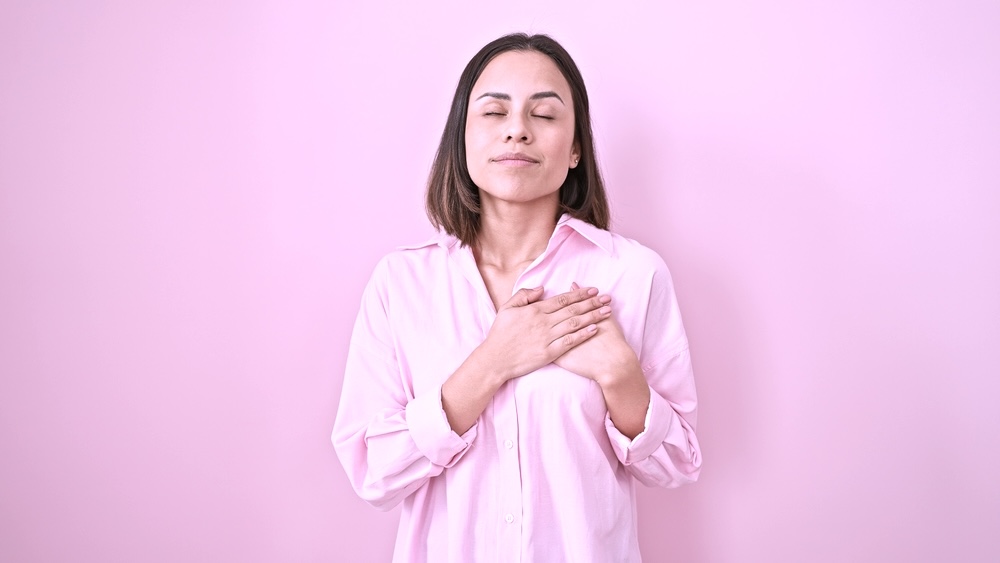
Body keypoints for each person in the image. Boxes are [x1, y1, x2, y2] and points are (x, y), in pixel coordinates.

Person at [332, 32, 701, 562]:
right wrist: (492, 363)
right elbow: (374, 471)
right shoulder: (401, 284)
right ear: (462, 136)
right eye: (493, 112)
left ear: (575, 148)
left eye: (545, 115)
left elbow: (675, 463)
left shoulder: (633, 275)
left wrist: (621, 375)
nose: (517, 131)